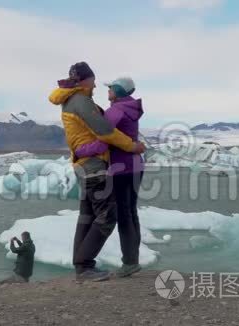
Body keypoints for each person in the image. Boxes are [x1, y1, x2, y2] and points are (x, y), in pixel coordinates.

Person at [49, 62, 145, 282]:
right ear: (85, 80)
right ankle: (89, 265)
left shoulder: (83, 102)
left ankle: (83, 265)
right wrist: (132, 146)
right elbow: (105, 132)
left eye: (110, 87)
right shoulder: (82, 102)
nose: (98, 86)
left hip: (100, 165)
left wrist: (82, 150)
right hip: (96, 165)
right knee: (110, 215)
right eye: (93, 81)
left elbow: (102, 133)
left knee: (92, 215)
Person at [74, 77, 144, 278]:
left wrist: (82, 150)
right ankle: (132, 260)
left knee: (123, 215)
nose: (108, 90)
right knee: (131, 213)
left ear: (119, 90)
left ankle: (130, 263)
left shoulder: (116, 110)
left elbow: (104, 138)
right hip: (136, 165)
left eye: (111, 88)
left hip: (121, 169)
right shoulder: (130, 108)